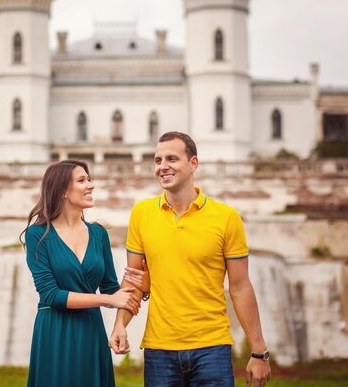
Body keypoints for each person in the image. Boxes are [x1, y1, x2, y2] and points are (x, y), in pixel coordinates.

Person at [109, 131, 272, 387]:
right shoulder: (141, 213)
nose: (163, 166)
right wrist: (120, 323)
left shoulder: (226, 217)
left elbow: (240, 287)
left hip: (212, 349)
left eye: (172, 158)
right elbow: (134, 281)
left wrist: (259, 350)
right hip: (159, 350)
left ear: (193, 163)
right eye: (158, 160)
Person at [21, 159, 141, 387]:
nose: (91, 185)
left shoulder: (98, 234)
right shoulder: (38, 235)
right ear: (63, 191)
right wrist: (109, 299)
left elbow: (110, 287)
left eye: (89, 179)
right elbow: (50, 295)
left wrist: (136, 283)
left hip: (91, 330)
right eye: (82, 180)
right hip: (55, 330)